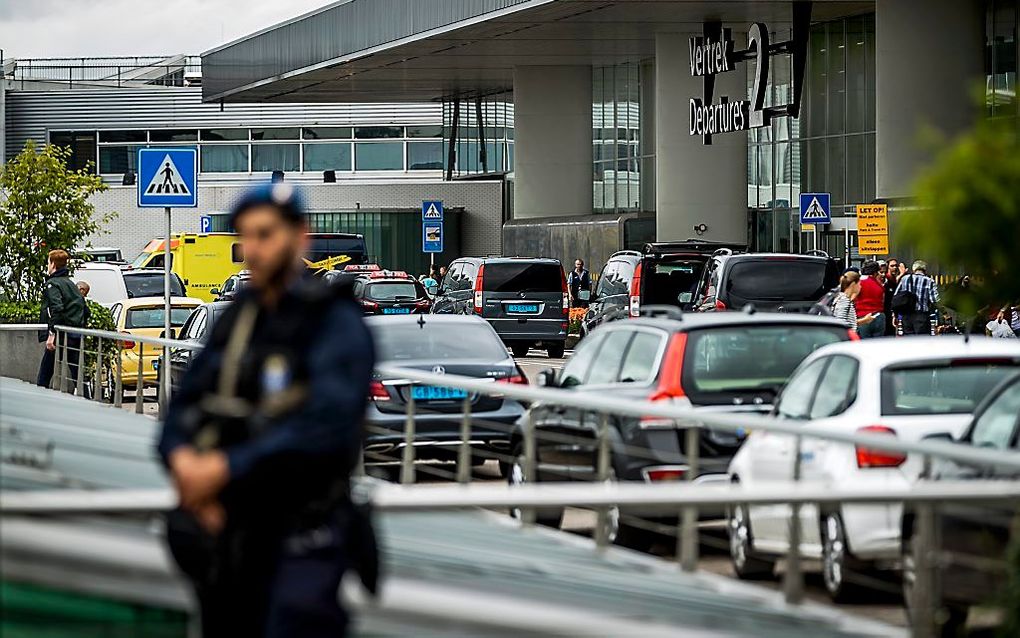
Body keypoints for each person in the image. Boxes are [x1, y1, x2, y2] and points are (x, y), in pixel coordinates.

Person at [158, 183, 377, 638]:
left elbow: (325, 428)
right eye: (246, 237)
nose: (253, 249)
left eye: (266, 235)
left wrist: (222, 469)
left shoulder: (332, 323)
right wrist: (184, 464)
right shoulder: (240, 319)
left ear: (301, 237)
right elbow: (182, 406)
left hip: (302, 535)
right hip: (228, 532)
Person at [37, 249, 87, 391]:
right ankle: (87, 399)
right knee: (77, 370)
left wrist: (51, 334)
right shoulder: (70, 284)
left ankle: (40, 396)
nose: (47, 265)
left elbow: (56, 308)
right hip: (74, 332)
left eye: (48, 262)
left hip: (60, 333)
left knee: (45, 372)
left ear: (53, 264)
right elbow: (84, 309)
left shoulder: (53, 284)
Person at [893, 260, 940, 336]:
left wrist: (895, 314)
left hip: (907, 315)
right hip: (922, 316)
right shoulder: (929, 281)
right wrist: (944, 313)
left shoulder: (905, 279)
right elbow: (935, 300)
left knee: (909, 341)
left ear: (913, 269)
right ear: (925, 270)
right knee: (921, 341)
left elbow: (896, 296)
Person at [854, 261, 885, 338]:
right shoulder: (878, 284)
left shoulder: (858, 282)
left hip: (863, 317)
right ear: (876, 272)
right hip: (879, 316)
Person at [882, 258, 900, 336]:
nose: (895, 268)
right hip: (886, 312)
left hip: (893, 312)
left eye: (896, 266)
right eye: (892, 266)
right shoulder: (886, 280)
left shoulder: (895, 280)